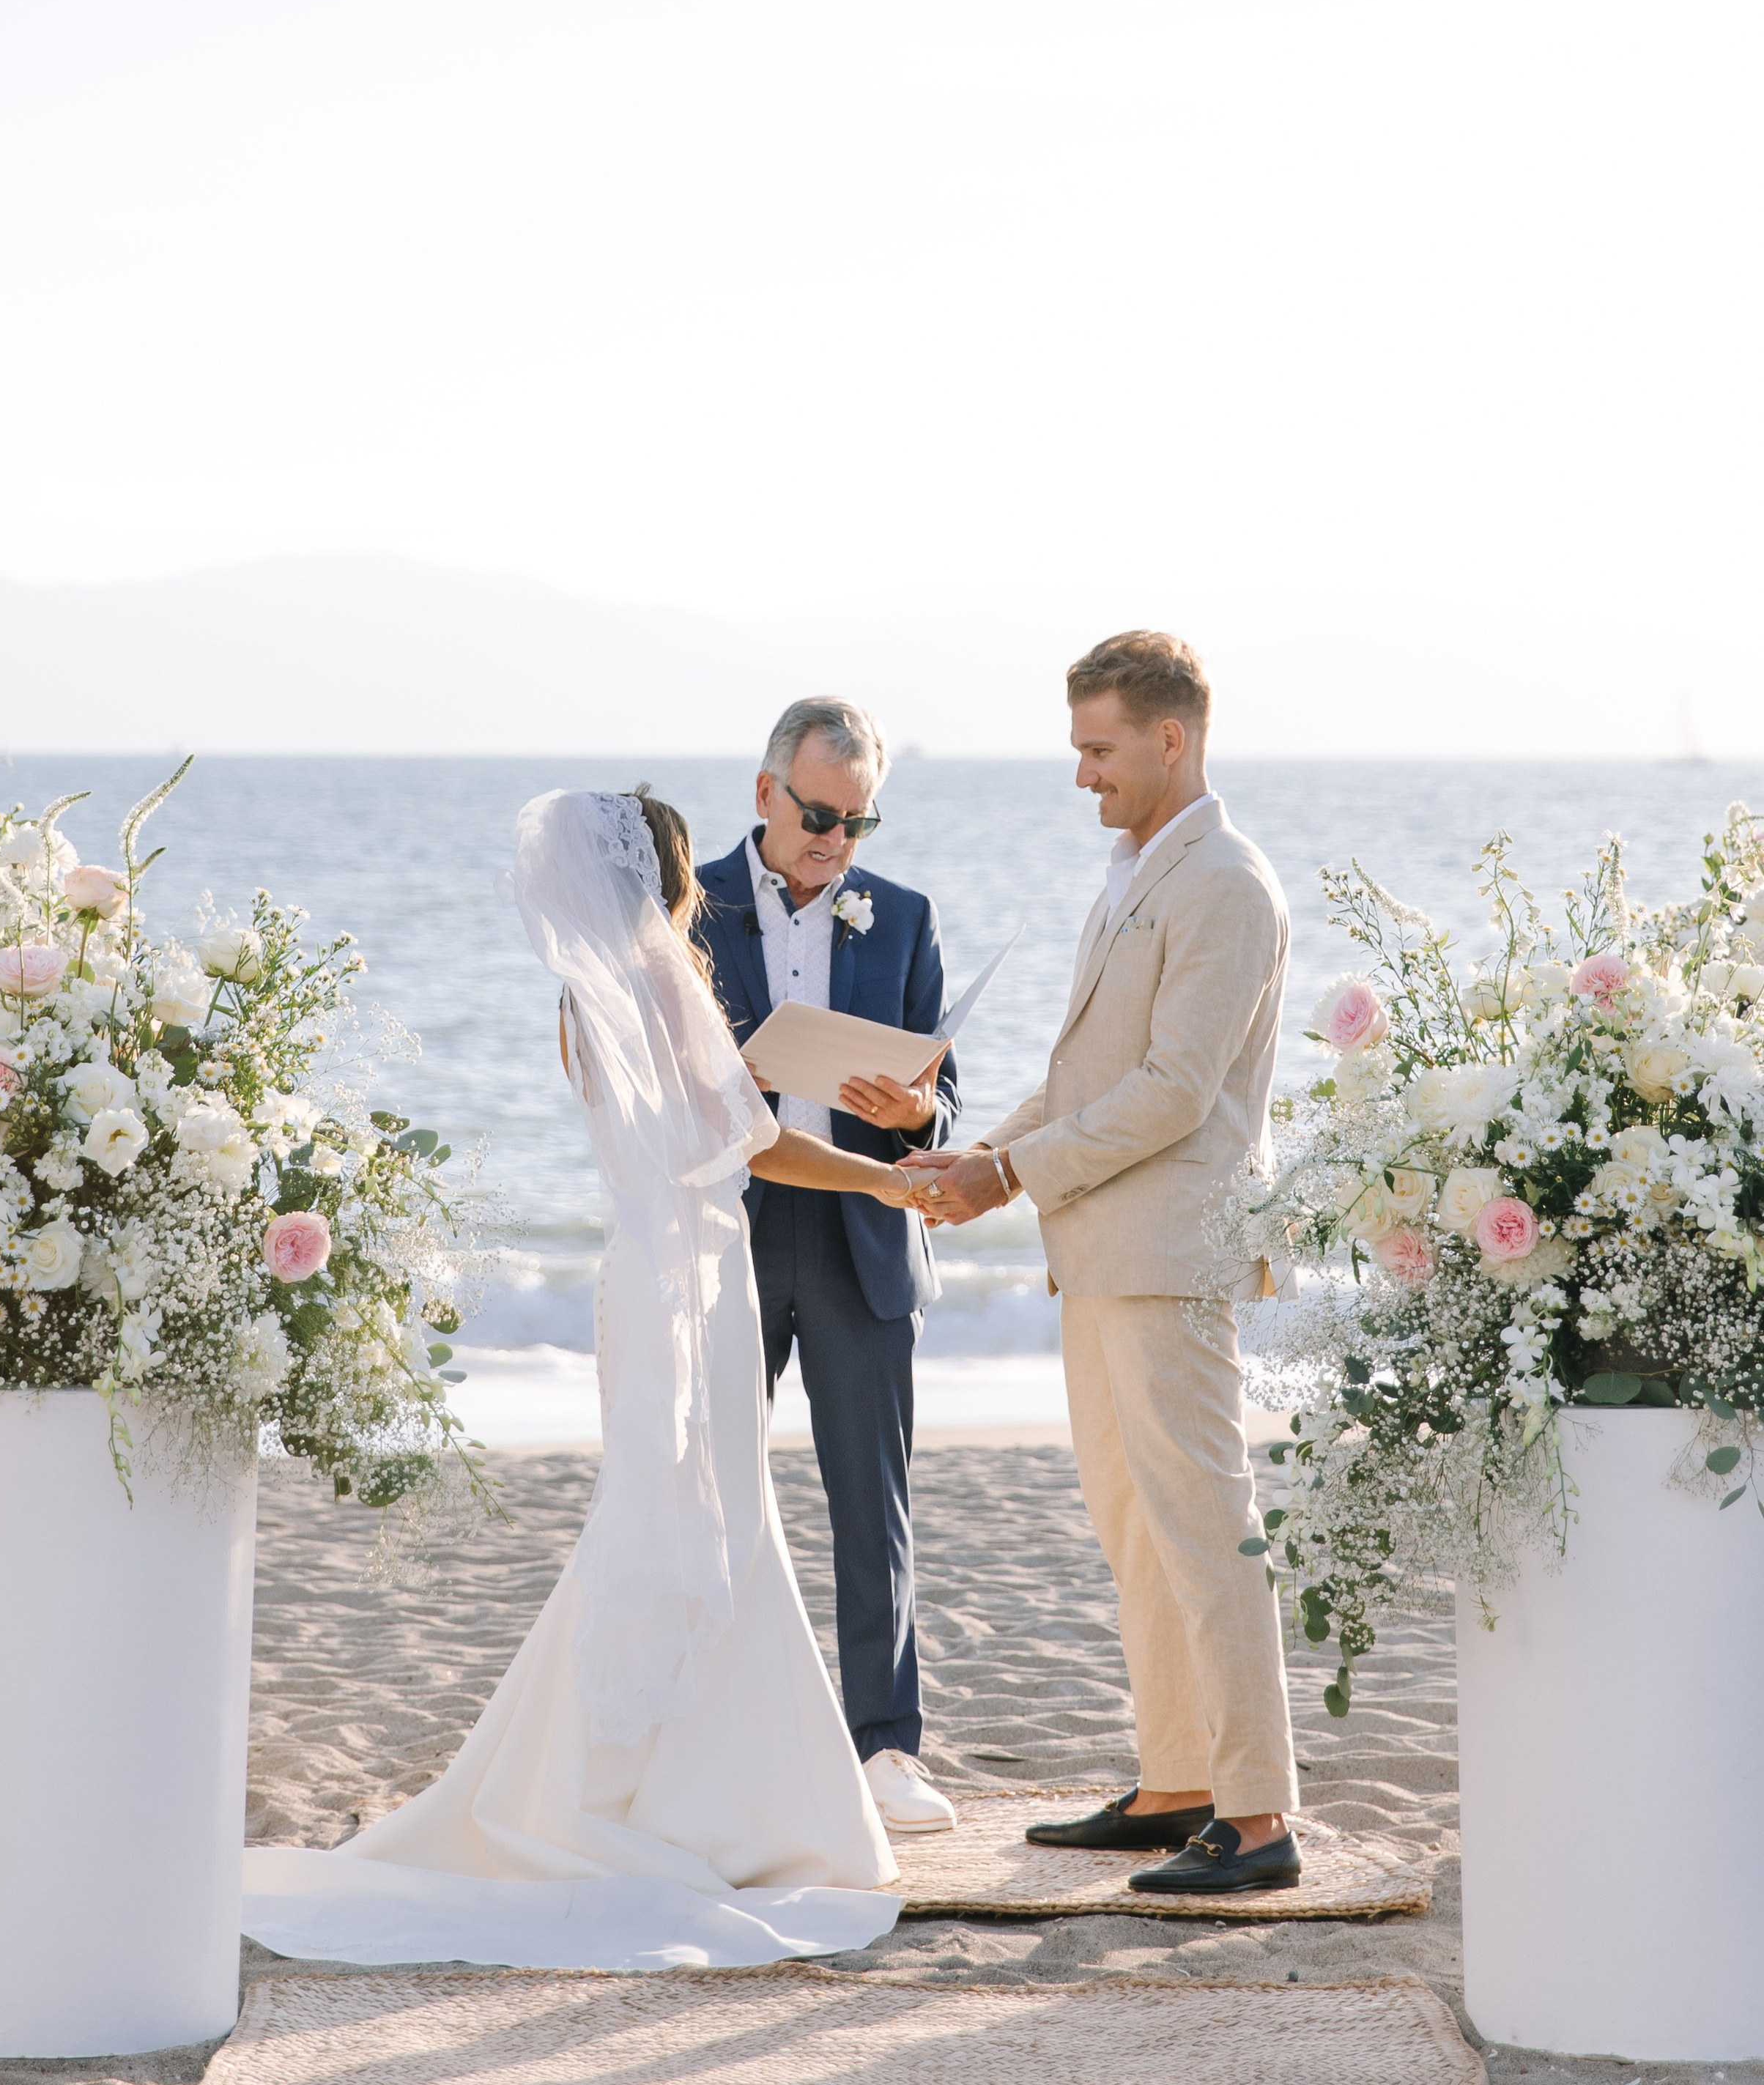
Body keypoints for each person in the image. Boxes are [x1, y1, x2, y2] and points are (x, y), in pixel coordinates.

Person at [241, 786, 937, 1974]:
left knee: (665, 1518)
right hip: (695, 1283)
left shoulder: (583, 997)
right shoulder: (664, 976)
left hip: (645, 1276)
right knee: (710, 1526)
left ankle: (637, 1782)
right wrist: (884, 1180)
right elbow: (753, 1143)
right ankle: (704, 1805)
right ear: (665, 877)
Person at [911, 632, 1301, 1897]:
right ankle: (1180, 1779)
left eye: (1099, 748)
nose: (1083, 775)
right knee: (1137, 1534)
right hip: (1099, 1257)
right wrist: (972, 1155)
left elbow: (1175, 1093)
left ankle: (1256, 1817)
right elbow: (1086, 1077)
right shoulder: (1142, 869)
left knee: (1205, 1531)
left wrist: (1010, 1175)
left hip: (1172, 1260)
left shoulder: (1225, 884)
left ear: (1170, 737)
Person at [694, 699, 960, 1836]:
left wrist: (917, 1111)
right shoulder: (687, 907)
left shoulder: (901, 917)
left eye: (858, 822)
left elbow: (948, 1098)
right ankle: (706, 1732)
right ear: (764, 796)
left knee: (873, 1505)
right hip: (732, 1234)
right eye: (817, 815)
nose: (835, 842)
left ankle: (887, 1750)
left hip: (861, 1235)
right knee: (709, 1490)